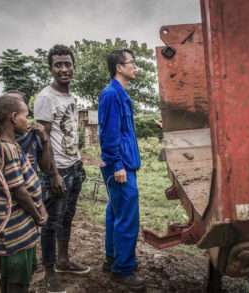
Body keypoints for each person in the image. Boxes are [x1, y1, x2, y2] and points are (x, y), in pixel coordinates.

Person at [34, 44, 90, 293]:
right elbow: (43, 139)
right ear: (51, 69)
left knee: (67, 217)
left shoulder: (70, 97)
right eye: (58, 64)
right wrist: (53, 174)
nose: (64, 69)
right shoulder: (46, 97)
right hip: (58, 172)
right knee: (51, 222)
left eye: (67, 64)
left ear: (73, 67)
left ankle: (64, 260)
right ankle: (49, 272)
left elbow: (68, 133)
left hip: (74, 167)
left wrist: (79, 162)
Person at [98, 49, 146, 292]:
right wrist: (117, 165)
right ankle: (123, 270)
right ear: (119, 67)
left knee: (115, 213)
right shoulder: (110, 95)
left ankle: (112, 259)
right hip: (120, 166)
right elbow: (108, 134)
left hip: (124, 163)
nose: (135, 67)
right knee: (127, 217)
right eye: (132, 63)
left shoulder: (120, 94)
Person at [0, 94, 47, 293]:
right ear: (14, 117)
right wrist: (38, 215)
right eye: (26, 115)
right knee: (17, 281)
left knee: (14, 280)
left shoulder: (7, 147)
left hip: (17, 229)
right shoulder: (7, 149)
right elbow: (19, 191)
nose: (29, 121)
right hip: (16, 232)